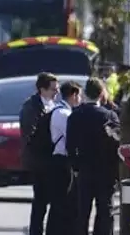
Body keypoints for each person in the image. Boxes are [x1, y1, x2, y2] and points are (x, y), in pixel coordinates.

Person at [67, 77, 120, 235]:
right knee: (105, 211)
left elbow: (70, 145)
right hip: (106, 170)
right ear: (101, 94)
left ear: (84, 94)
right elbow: (116, 145)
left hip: (84, 169)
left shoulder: (75, 116)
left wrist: (75, 167)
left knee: (82, 211)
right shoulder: (110, 116)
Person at [19, 72, 59, 235]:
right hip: (39, 160)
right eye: (52, 89)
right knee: (40, 199)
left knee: (52, 199)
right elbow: (30, 133)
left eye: (57, 89)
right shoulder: (31, 106)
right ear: (42, 89)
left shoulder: (53, 104)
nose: (56, 93)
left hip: (51, 160)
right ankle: (36, 231)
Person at [46, 81, 82, 235]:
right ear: (73, 95)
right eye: (79, 95)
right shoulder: (64, 114)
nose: (80, 99)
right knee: (62, 200)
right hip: (61, 161)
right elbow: (73, 137)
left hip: (59, 160)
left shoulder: (59, 110)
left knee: (60, 200)